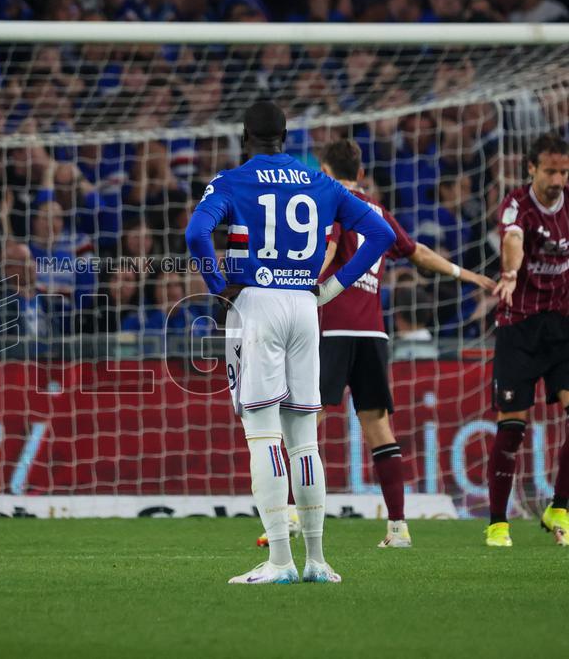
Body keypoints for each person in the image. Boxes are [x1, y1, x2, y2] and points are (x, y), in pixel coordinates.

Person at [186, 101, 396, 585]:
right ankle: (317, 560)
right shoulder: (321, 183)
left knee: (263, 433)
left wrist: (217, 286)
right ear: (285, 137)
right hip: (305, 306)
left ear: (246, 137)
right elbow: (380, 233)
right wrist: (332, 287)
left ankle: (280, 561)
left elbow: (197, 233)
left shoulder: (232, 181)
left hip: (256, 303)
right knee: (305, 440)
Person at [313, 139, 494, 548]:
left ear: (325, 172)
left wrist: (303, 286)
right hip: (373, 333)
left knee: (307, 422)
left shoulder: (331, 204)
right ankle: (397, 528)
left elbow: (327, 251)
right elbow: (417, 252)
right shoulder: (378, 211)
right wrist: (466, 274)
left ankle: (290, 516)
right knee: (379, 428)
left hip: (333, 328)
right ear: (361, 173)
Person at [485, 133, 569, 548]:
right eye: (550, 171)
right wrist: (511, 273)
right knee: (512, 427)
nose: (558, 180)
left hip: (562, 326)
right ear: (532, 168)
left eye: (564, 171)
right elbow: (513, 240)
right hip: (518, 326)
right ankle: (497, 523)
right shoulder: (516, 204)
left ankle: (560, 507)